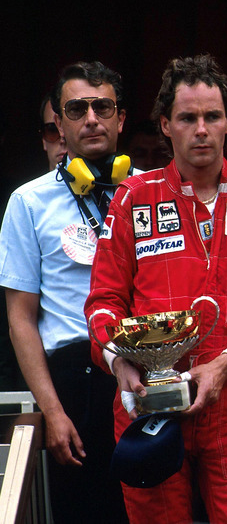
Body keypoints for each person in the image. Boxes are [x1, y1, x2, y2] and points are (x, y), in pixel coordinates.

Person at [84, 54, 227, 523]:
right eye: (188, 117)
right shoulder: (131, 197)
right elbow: (103, 302)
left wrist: (225, 366)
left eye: (211, 116)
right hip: (148, 401)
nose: (200, 128)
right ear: (166, 125)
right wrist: (118, 361)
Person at [0, 61, 131, 523]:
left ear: (121, 118)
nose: (92, 118)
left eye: (103, 106)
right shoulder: (29, 201)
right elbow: (21, 319)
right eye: (78, 108)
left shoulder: (154, 190)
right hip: (76, 384)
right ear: (59, 122)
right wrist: (52, 411)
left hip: (150, 371)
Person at [40, 91, 67, 171]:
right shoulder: (33, 184)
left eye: (71, 130)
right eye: (52, 130)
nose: (63, 140)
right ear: (43, 139)